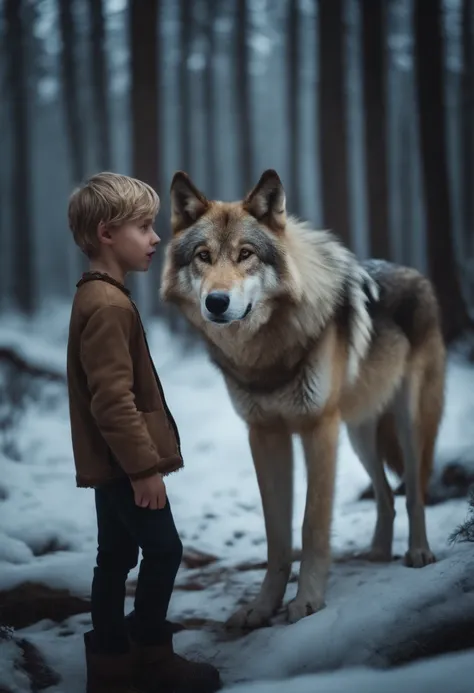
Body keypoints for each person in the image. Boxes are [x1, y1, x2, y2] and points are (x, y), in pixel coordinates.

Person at [66, 172, 222, 693]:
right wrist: (144, 470)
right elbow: (112, 401)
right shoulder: (108, 306)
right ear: (107, 234)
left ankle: (110, 667)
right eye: (144, 227)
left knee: (113, 557)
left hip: (110, 462)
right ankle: (152, 659)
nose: (157, 238)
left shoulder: (98, 297)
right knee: (164, 552)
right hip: (124, 463)